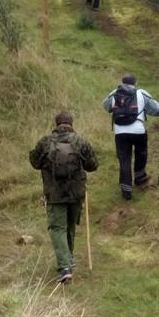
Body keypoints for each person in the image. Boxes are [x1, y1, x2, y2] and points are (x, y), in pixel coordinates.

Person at [29, 111, 99, 283]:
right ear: (71, 123)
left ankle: (65, 266)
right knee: (70, 226)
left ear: (56, 124)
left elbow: (34, 162)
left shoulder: (46, 142)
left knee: (57, 228)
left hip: (54, 192)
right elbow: (93, 165)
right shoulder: (80, 141)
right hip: (76, 192)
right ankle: (68, 259)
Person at [102, 75, 159, 201]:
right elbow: (155, 109)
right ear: (135, 83)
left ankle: (126, 190)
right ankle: (140, 178)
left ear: (121, 83)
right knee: (141, 154)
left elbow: (106, 106)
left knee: (124, 160)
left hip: (120, 132)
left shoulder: (115, 94)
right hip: (138, 131)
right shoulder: (140, 93)